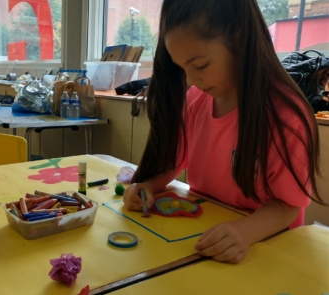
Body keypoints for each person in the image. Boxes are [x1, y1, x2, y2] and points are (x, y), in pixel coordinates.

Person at [123, 0, 328, 264]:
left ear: (238, 40)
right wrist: (147, 186)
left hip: (267, 252)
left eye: (200, 65)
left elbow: (289, 205)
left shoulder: (286, 116)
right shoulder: (196, 101)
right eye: (182, 68)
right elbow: (174, 162)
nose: (190, 80)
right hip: (204, 241)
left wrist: (245, 231)